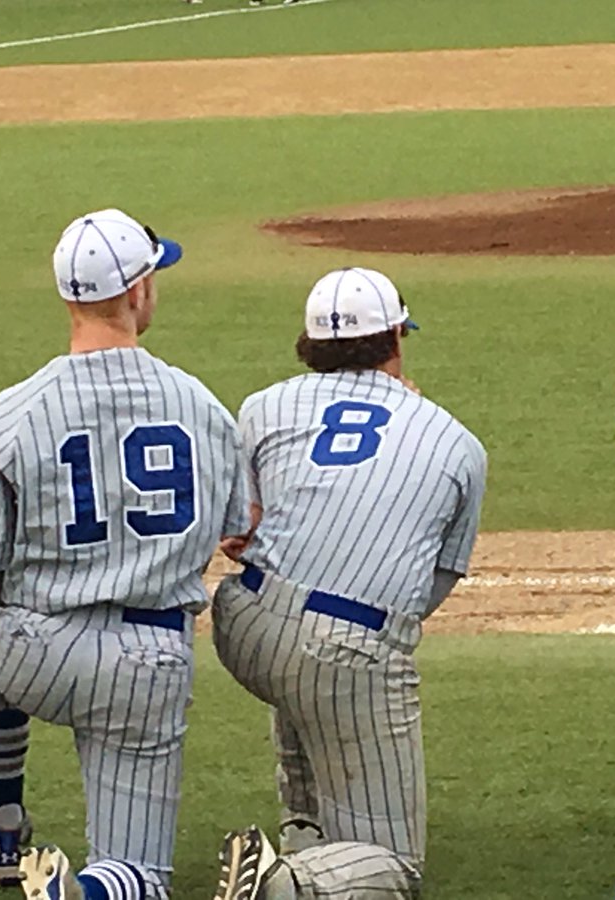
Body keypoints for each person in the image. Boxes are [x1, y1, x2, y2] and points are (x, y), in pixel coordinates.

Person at [0, 209, 251, 900]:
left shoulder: (13, 410)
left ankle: (4, 828)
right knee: (136, 873)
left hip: (35, 651)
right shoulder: (200, 404)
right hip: (147, 662)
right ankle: (86, 889)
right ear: (139, 292)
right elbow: (234, 533)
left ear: (68, 298)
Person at [208, 268, 487, 899]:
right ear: (396, 337)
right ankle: (283, 883)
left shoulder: (262, 407)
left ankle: (304, 825)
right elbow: (429, 588)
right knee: (394, 865)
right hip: (343, 653)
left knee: (301, 648)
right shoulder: (455, 441)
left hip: (244, 627)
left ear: (309, 344)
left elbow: (236, 529)